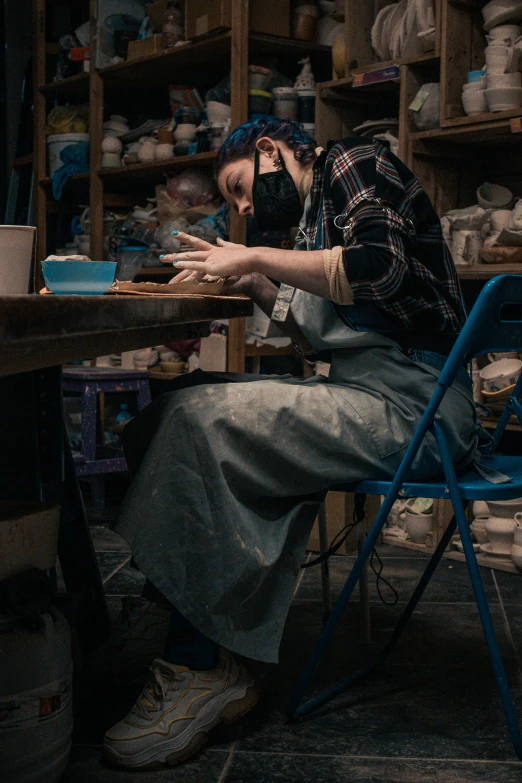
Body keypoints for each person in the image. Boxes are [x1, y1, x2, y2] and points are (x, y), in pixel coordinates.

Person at [103, 118, 480, 769]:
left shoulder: (352, 160)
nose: (244, 207)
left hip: (418, 408)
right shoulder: (311, 217)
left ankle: (205, 669)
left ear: (272, 150)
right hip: (375, 395)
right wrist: (254, 284)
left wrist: (249, 256)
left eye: (240, 187)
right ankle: (172, 599)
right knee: (165, 407)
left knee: (199, 421)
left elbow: (382, 270)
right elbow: (317, 338)